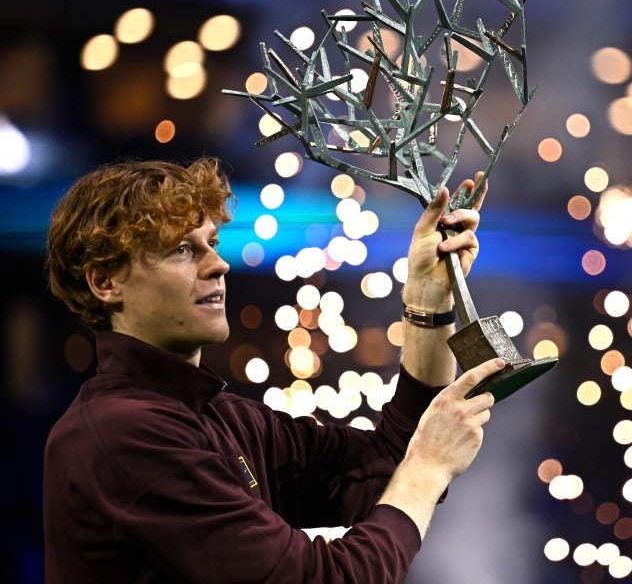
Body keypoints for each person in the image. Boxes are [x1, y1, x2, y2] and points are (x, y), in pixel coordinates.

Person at [43, 158, 500, 583]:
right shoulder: (124, 434)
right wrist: (427, 467)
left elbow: (387, 460)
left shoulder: (222, 417)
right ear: (105, 282)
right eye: (181, 249)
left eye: (212, 243)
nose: (218, 264)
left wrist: (428, 299)